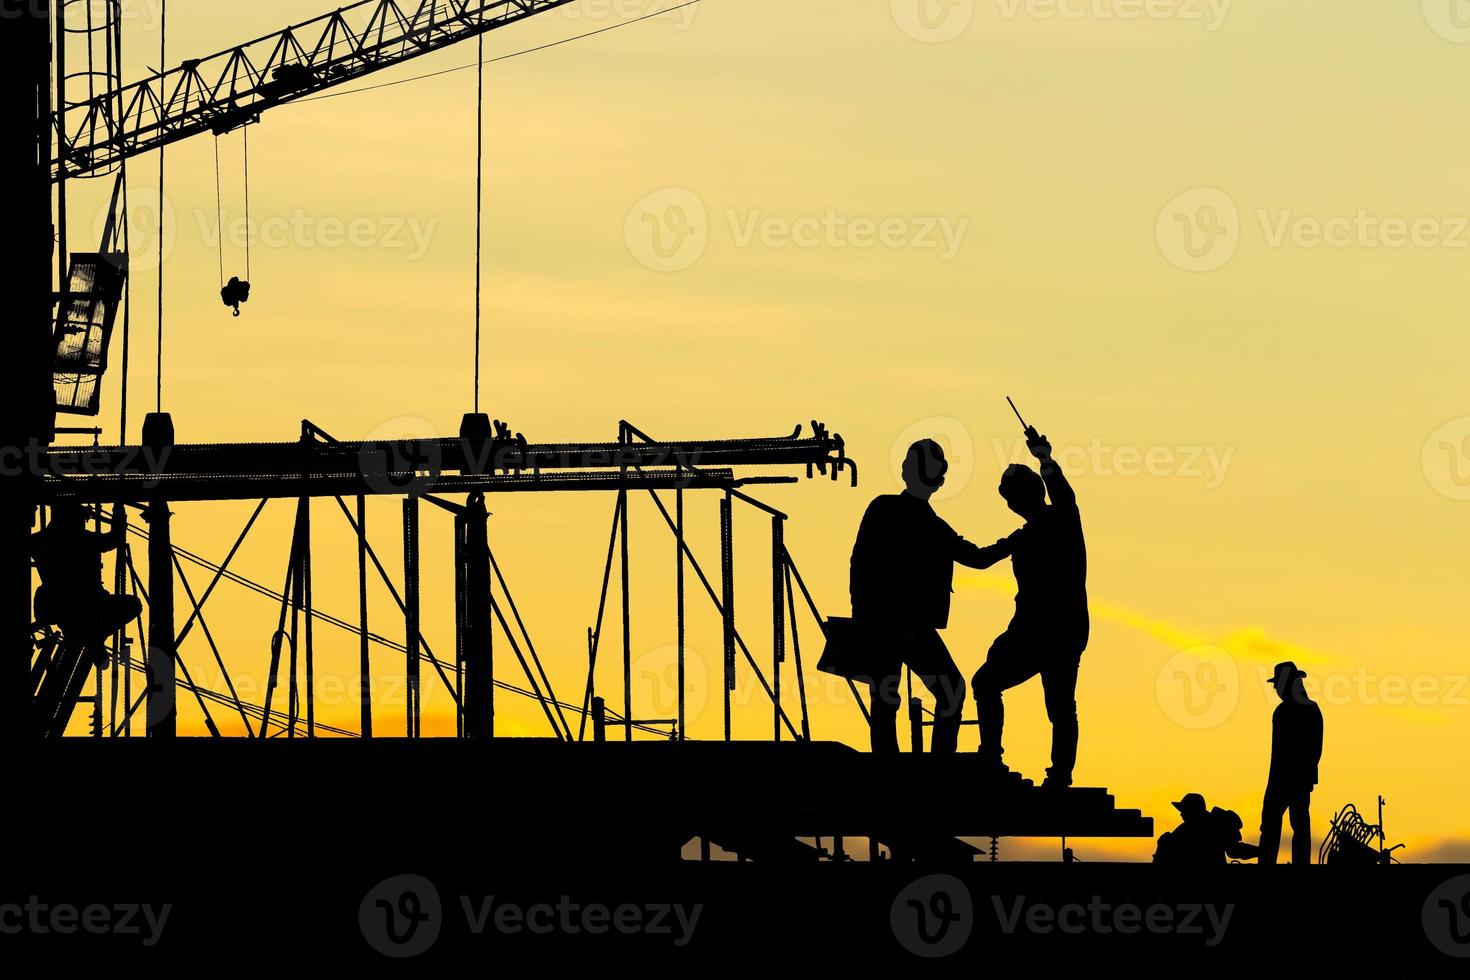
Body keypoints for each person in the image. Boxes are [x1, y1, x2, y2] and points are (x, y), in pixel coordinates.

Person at [849, 439, 1007, 753]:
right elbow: (976, 557)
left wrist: (861, 615)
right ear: (937, 481)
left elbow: (859, 563)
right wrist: (1016, 541)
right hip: (893, 624)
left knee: (890, 697)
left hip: (890, 623)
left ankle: (903, 765)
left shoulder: (908, 517)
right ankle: (932, 767)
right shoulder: (918, 521)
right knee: (939, 692)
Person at [969, 425, 1088, 788]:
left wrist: (1045, 458)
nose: (1012, 505)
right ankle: (1047, 770)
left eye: (1013, 498)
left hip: (1052, 631)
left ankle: (1034, 767)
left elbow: (1062, 493)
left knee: (1054, 702)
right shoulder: (1026, 535)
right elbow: (981, 559)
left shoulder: (1062, 519)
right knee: (1052, 702)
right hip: (1048, 630)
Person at [31, 501, 140, 661]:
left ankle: (93, 637)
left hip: (61, 611)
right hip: (90, 607)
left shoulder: (39, 541)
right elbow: (115, 538)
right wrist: (118, 506)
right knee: (133, 605)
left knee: (43, 591)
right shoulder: (85, 539)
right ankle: (96, 637)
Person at [1258, 660, 1324, 865]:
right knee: (1300, 822)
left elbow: (1277, 754)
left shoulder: (1283, 712)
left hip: (1283, 778)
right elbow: (1316, 750)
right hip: (1301, 778)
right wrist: (1307, 775)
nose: (1276, 689)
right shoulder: (1311, 709)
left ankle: (1267, 865)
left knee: (1272, 822)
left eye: (1277, 684)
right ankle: (1300, 865)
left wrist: (1276, 781)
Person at [1153, 792, 1260, 866]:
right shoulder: (1184, 829)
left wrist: (1259, 851)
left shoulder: (1214, 826)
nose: (1181, 814)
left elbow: (1234, 850)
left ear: (1193, 810)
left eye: (1184, 810)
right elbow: (1234, 850)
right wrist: (1260, 851)